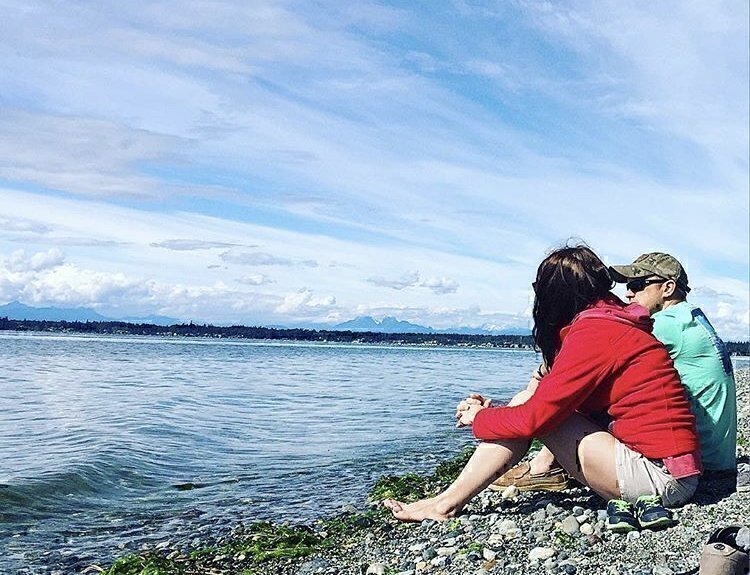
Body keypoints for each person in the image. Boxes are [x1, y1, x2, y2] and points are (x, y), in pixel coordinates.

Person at [383, 245, 702, 526]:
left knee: (529, 409)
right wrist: (496, 412)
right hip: (673, 470)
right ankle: (447, 500)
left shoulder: (596, 332)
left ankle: (445, 504)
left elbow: (534, 419)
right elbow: (549, 393)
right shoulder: (611, 322)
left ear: (556, 295)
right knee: (528, 401)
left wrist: (477, 417)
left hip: (661, 481)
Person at [492, 252, 737, 492]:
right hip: (715, 455)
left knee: (578, 387)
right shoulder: (691, 318)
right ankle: (545, 464)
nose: (629, 292)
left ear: (668, 287)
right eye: (627, 285)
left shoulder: (665, 324)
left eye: (639, 284)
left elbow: (579, 367)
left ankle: (543, 466)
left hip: (695, 461)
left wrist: (531, 386)